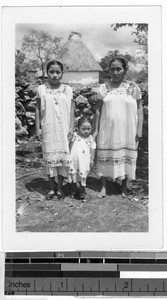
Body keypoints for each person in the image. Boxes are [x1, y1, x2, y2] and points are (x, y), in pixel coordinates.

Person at [93, 56, 143, 198]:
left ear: (125, 70)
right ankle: (103, 186)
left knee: (127, 156)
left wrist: (139, 129)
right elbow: (98, 110)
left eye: (118, 69)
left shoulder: (133, 87)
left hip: (128, 130)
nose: (115, 72)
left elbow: (139, 109)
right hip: (106, 129)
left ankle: (124, 186)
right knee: (104, 155)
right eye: (112, 69)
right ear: (108, 70)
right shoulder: (103, 88)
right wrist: (96, 130)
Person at [35, 60, 74, 200]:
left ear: (62, 74)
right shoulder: (41, 89)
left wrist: (71, 127)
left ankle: (60, 188)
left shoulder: (68, 89)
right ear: (47, 73)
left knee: (62, 159)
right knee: (50, 159)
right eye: (52, 72)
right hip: (48, 128)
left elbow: (72, 110)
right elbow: (38, 109)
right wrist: (38, 128)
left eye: (58, 72)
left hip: (63, 129)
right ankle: (51, 188)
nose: (55, 75)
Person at [70, 117, 96, 200]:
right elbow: (70, 146)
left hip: (84, 160)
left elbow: (93, 148)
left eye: (88, 129)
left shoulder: (90, 138)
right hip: (74, 159)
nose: (86, 131)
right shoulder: (75, 135)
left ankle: (81, 190)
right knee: (73, 172)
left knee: (83, 173)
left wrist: (92, 159)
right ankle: (74, 189)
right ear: (78, 128)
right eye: (83, 129)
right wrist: (68, 156)